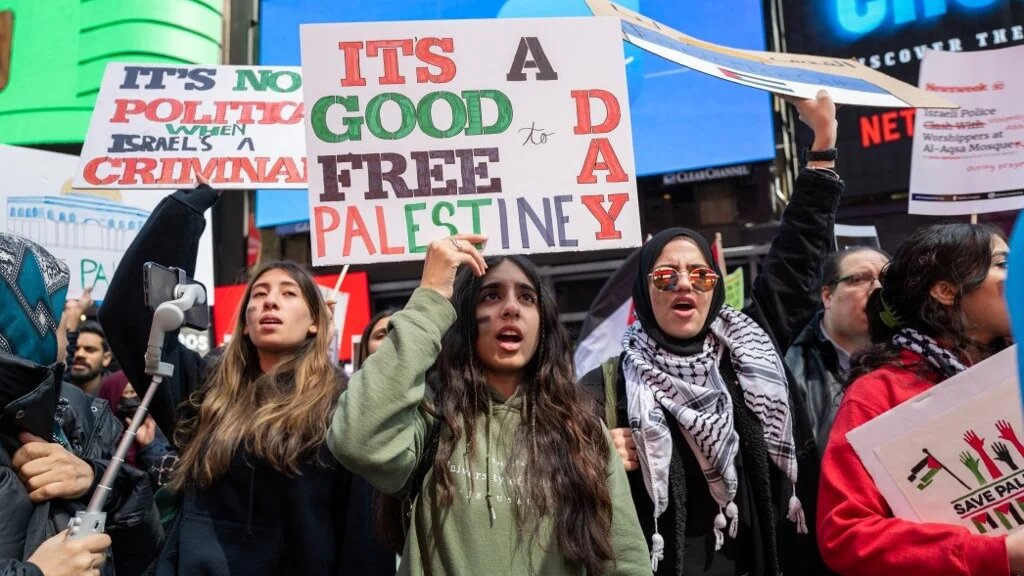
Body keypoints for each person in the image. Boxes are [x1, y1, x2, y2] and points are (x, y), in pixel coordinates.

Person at [579, 90, 841, 575]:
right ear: (644, 290)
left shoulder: (749, 351)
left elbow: (796, 257)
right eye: (665, 276)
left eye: (699, 275)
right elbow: (551, 473)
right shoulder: (605, 388)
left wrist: (822, 147)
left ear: (714, 288)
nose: (684, 283)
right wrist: (594, 453)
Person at [328, 237, 650, 574]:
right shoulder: (432, 420)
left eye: (527, 297)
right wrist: (430, 299)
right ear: (465, 316)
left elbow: (624, 559)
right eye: (491, 295)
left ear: (543, 323)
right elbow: (356, 440)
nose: (511, 308)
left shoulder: (582, 429)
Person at [99, 182, 362, 575]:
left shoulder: (345, 402)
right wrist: (190, 204)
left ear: (314, 323)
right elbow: (126, 314)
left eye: (289, 294)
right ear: (245, 321)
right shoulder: (206, 387)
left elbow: (359, 534)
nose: (269, 301)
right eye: (258, 294)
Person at [817, 222, 1019, 575]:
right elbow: (845, 534)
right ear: (945, 290)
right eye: (1003, 263)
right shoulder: (878, 393)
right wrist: (996, 553)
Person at [0, 232, 158, 576]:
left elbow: (146, 555)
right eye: (56, 316)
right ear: (27, 325)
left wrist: (100, 482)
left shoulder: (81, 414)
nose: (67, 332)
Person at [785, 246, 889, 453]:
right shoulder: (791, 369)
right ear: (827, 296)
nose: (877, 289)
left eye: (886, 280)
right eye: (860, 279)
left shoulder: (914, 356)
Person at [66, 321, 112, 396]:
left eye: (90, 349)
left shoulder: (117, 395)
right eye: (75, 348)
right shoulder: (53, 391)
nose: (80, 354)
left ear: (106, 358)